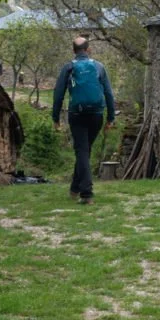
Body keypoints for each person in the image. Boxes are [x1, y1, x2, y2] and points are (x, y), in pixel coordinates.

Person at [52, 36, 115, 205]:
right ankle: (74, 189)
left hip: (77, 115)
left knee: (82, 151)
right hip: (96, 115)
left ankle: (86, 194)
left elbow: (58, 95)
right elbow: (109, 93)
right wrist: (111, 118)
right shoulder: (99, 67)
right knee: (84, 151)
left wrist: (55, 118)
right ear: (88, 50)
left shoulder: (69, 67)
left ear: (74, 51)